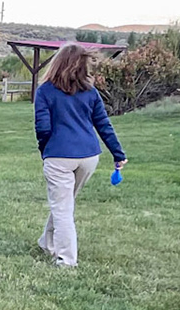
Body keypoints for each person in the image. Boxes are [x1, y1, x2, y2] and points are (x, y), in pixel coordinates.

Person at [33, 44, 126, 267]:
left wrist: (46, 150)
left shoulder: (45, 91)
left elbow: (42, 128)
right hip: (89, 157)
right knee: (64, 202)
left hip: (59, 156)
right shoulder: (90, 92)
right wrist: (118, 153)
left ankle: (67, 260)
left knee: (63, 207)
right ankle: (47, 243)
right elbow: (103, 124)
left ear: (57, 63)